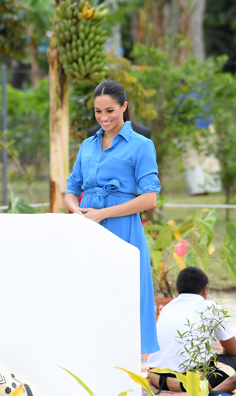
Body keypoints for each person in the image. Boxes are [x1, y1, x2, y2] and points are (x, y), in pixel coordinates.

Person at [65, 80, 160, 354]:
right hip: (87, 228)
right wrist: (77, 211)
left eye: (110, 111)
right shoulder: (87, 145)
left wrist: (103, 214)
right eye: (98, 112)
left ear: (124, 107)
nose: (104, 118)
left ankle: (124, 364)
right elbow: (71, 189)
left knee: (121, 296)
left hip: (121, 227)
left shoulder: (141, 145)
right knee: (90, 295)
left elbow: (149, 197)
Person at [147, 267, 236, 391]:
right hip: (189, 381)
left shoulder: (167, 308)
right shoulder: (212, 308)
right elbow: (233, 351)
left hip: (156, 377)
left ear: (176, 289)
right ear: (205, 289)